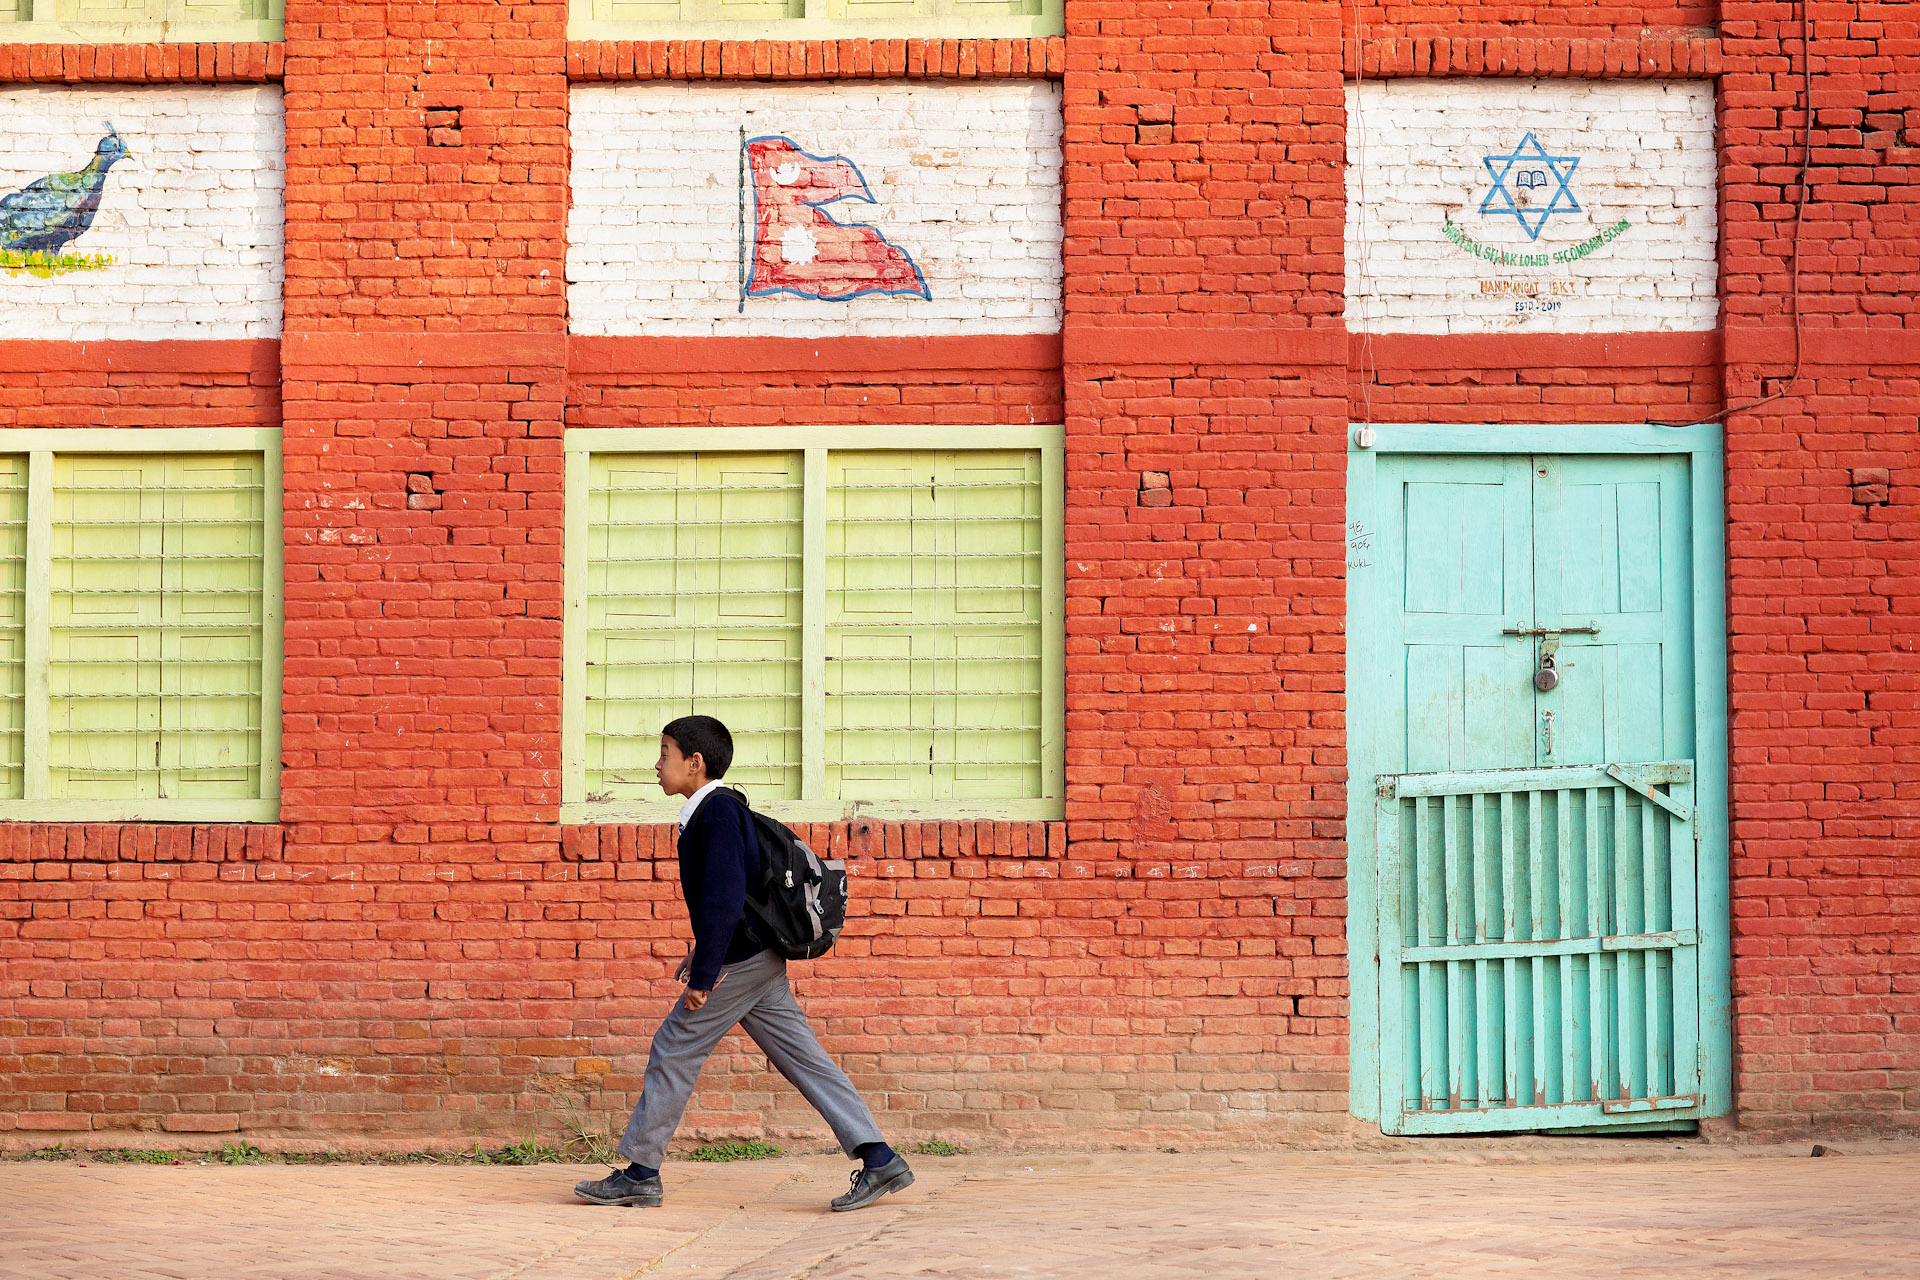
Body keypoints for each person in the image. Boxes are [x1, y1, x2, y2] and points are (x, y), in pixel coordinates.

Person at [573, 714, 914, 1212]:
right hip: (757, 960)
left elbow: (724, 899)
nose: (657, 764)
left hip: (740, 964)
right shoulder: (716, 813)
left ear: (695, 762)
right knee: (804, 1059)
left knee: (673, 1048)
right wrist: (702, 951)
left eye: (664, 753)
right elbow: (736, 899)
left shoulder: (716, 814)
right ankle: (879, 1158)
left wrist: (706, 975)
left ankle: (642, 1173)